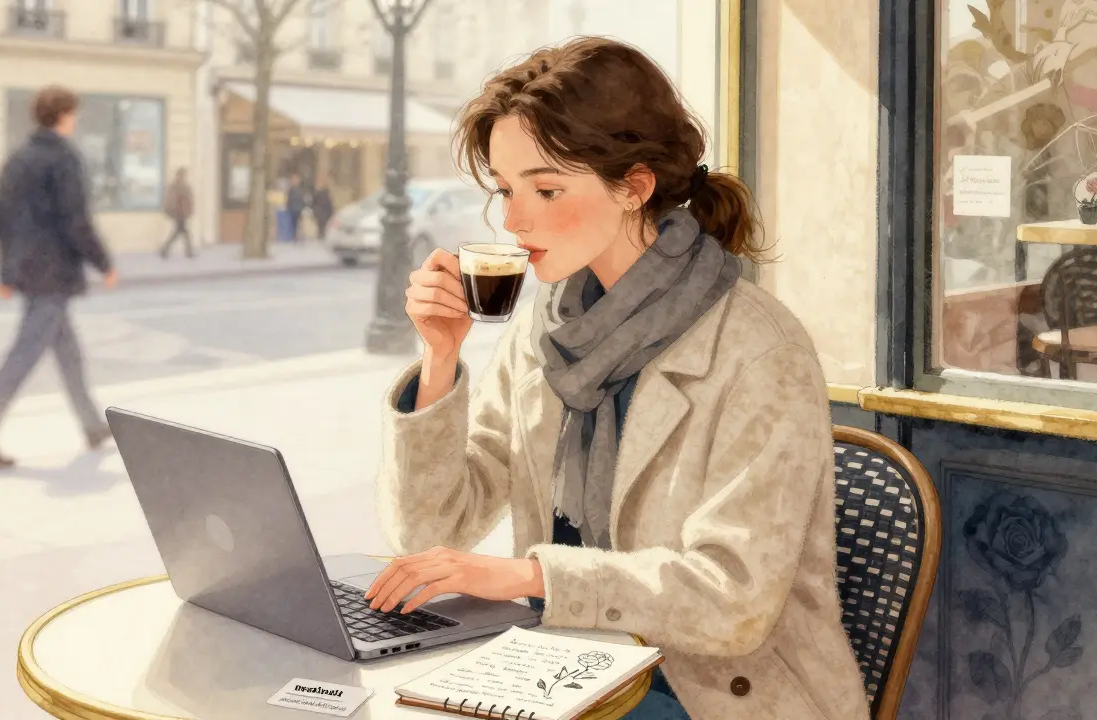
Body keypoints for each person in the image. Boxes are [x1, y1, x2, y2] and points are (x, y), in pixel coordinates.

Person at [363, 37, 869, 720]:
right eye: (506, 191)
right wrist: (440, 359)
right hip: (565, 669)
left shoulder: (758, 348)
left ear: (633, 187)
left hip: (708, 694)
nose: (513, 221)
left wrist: (528, 576)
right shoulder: (545, 324)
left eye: (545, 189)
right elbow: (431, 531)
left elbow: (732, 598)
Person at [0, 85, 117, 469]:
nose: (75, 120)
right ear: (63, 115)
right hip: (54, 271)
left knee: (68, 353)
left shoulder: (18, 159)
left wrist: (6, 269)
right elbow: (75, 220)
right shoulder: (64, 159)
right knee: (25, 354)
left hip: (28, 270)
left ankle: (93, 426)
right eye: (73, 113)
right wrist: (103, 263)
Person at [160, 167, 195, 259]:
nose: (184, 177)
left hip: (181, 213)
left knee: (179, 232)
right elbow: (173, 200)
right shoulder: (177, 186)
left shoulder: (181, 186)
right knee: (181, 232)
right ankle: (188, 252)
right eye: (183, 175)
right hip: (179, 213)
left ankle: (165, 250)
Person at [285, 172, 308, 242]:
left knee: (298, 223)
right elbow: (289, 199)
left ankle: (296, 236)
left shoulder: (300, 189)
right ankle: (293, 235)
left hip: (298, 209)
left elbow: (302, 199)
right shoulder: (291, 189)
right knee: (293, 223)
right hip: (293, 209)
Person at [311, 174, 334, 240]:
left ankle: (322, 236)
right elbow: (314, 202)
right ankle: (321, 236)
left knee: (323, 227)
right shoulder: (319, 193)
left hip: (325, 212)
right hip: (321, 212)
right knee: (321, 226)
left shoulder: (327, 192)